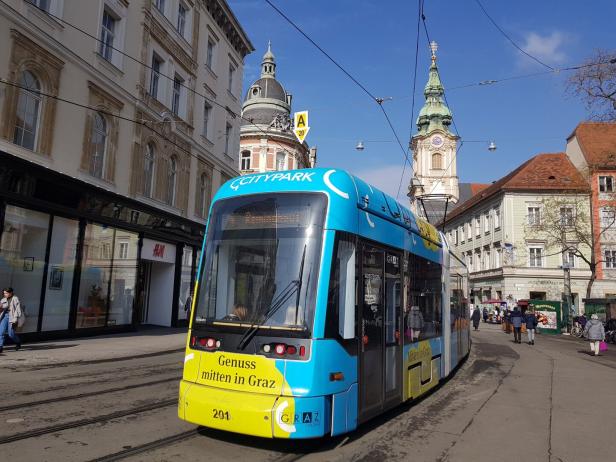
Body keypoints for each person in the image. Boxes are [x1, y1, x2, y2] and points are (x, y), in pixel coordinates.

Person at [0, 287, 23, 353]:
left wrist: (15, 319)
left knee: (11, 334)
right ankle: (0, 347)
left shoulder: (15, 299)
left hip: (12, 317)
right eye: (4, 293)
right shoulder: (3, 299)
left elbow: (18, 310)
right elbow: (1, 308)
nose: (5, 294)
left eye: (6, 293)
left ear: (11, 293)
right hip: (4, 316)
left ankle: (18, 342)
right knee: (1, 332)